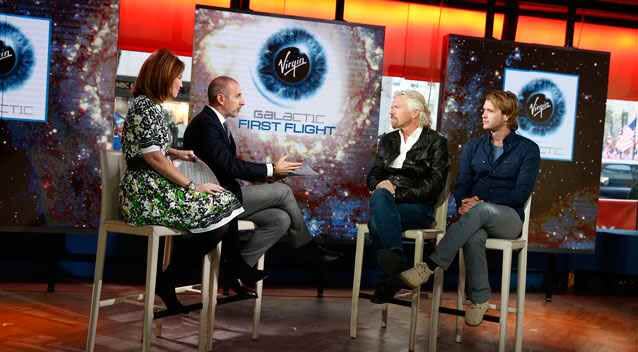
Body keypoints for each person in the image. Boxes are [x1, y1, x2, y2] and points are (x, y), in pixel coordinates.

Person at [399, 90, 540, 326]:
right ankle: (480, 299)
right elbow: (462, 184)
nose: (482, 114)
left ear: (506, 116)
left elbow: (520, 193)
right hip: (476, 216)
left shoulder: (528, 149)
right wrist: (466, 202)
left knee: (482, 211)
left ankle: (430, 265)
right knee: (474, 235)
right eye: (483, 109)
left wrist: (480, 202)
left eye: (489, 110)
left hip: (508, 218)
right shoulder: (474, 147)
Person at [183, 76, 339, 288]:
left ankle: (233, 271)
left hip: (228, 196)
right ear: (221, 98)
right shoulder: (206, 124)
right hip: (213, 198)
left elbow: (227, 166)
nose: (243, 101)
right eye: (238, 95)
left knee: (280, 219)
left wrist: (272, 173)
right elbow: (229, 166)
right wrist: (271, 169)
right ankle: (309, 251)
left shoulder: (216, 123)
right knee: (283, 192)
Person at [119, 49, 245, 312]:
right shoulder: (147, 107)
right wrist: (192, 186)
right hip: (146, 195)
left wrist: (175, 152)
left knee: (224, 203)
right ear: (162, 77)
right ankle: (170, 277)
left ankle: (168, 277)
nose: (180, 83)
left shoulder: (148, 106)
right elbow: (153, 159)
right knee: (222, 203)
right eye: (177, 77)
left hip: (151, 189)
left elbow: (149, 149)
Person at [366, 90, 449, 303]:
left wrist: (397, 191)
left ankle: (389, 274)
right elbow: (373, 174)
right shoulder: (387, 140)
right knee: (380, 199)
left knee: (377, 219)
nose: (390, 111)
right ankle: (398, 267)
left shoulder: (435, 142)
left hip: (417, 207)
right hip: (386, 202)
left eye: (396, 106)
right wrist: (380, 185)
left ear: (415, 112)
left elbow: (435, 185)